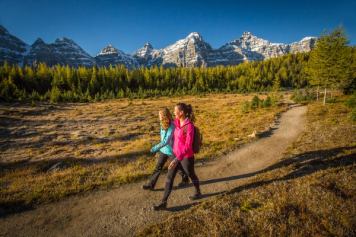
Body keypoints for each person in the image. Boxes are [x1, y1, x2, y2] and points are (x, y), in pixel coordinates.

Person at [153, 103, 202, 210]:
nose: (174, 112)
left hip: (186, 157)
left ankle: (198, 191)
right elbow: (166, 121)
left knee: (191, 174)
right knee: (169, 177)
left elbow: (188, 147)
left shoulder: (189, 127)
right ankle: (163, 203)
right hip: (175, 155)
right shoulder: (176, 122)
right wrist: (162, 115)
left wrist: (176, 159)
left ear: (181, 113)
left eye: (175, 111)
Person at [142, 108, 189, 190]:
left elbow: (166, 141)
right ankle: (151, 184)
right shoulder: (162, 124)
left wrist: (154, 148)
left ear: (164, 116)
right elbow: (162, 139)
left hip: (171, 151)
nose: (158, 116)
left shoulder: (172, 125)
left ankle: (185, 178)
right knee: (158, 167)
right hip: (163, 150)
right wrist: (159, 148)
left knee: (176, 167)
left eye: (159, 115)